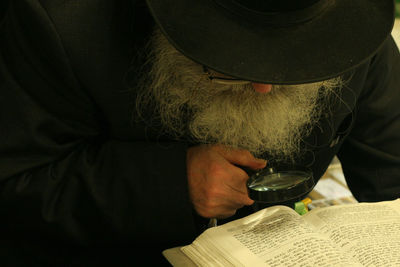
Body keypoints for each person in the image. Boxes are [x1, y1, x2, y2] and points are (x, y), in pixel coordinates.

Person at [0, 0, 399, 265]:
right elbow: (17, 183)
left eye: (300, 61)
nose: (266, 85)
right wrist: (170, 183)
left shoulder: (349, 22)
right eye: (232, 64)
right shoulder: (57, 19)